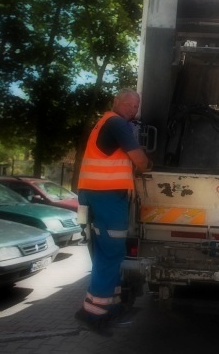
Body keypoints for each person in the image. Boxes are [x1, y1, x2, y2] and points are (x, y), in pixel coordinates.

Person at [74, 88, 152, 337]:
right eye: (129, 104)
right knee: (110, 254)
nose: (133, 110)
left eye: (136, 106)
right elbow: (139, 160)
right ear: (117, 102)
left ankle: (112, 308)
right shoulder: (118, 123)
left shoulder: (105, 122)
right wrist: (149, 165)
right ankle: (94, 316)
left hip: (97, 195)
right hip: (107, 197)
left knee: (108, 253)